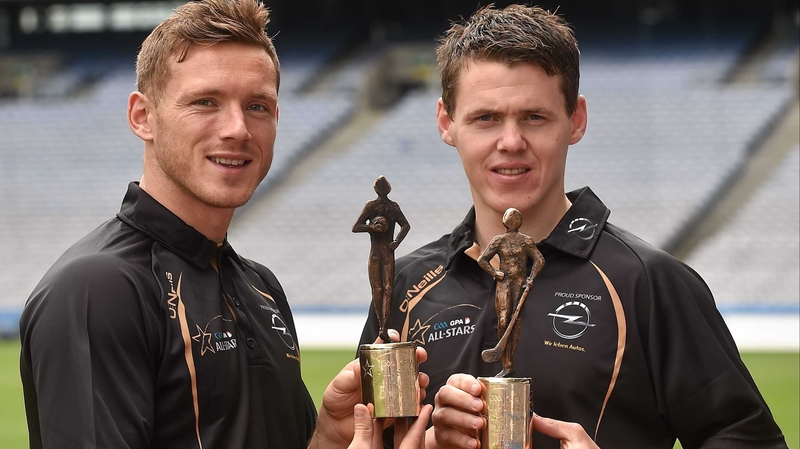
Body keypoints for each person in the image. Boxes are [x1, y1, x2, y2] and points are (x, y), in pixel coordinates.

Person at [358, 4, 788, 449]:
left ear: (575, 120)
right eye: (486, 118)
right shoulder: (405, 285)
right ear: (447, 123)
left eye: (534, 117)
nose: (511, 142)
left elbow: (748, 440)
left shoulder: (648, 283)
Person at [18, 1, 428, 448]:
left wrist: (327, 436)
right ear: (143, 117)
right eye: (205, 102)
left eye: (257, 106)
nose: (237, 129)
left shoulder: (260, 285)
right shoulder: (98, 288)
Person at [477, 207, 545, 377]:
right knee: (503, 320)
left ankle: (508, 364)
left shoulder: (526, 241)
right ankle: (503, 358)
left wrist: (530, 279)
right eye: (511, 219)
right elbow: (482, 260)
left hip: (520, 284)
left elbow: (539, 260)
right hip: (504, 283)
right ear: (506, 222)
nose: (513, 222)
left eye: (516, 219)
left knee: (516, 321)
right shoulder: (499, 241)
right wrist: (495, 273)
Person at [353, 175, 411, 341]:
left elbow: (405, 225)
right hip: (378, 252)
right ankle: (381, 326)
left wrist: (396, 242)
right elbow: (356, 227)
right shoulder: (372, 206)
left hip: (385, 252)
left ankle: (384, 327)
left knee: (386, 289)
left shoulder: (392, 207)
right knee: (379, 289)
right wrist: (373, 228)